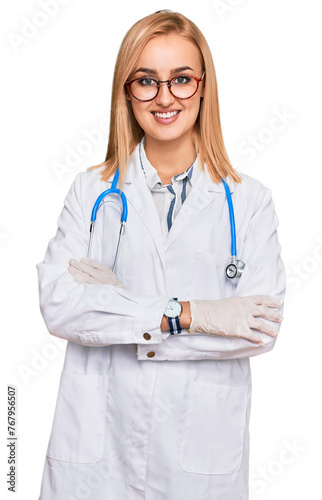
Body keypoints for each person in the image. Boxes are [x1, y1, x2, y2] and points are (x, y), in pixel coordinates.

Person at [36, 9, 285, 500]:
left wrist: (117, 312)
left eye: (182, 80)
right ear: (126, 91)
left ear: (204, 87)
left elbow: (260, 326)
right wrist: (190, 314)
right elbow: (59, 305)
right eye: (147, 80)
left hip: (199, 461)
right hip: (96, 459)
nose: (165, 97)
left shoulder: (250, 202)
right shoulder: (91, 192)